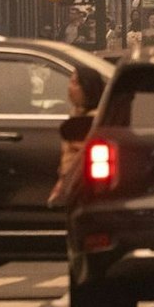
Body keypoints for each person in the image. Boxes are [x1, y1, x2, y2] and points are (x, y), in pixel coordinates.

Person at [49, 65, 107, 207]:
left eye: (75, 83)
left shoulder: (91, 121)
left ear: (87, 88)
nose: (69, 87)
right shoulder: (76, 115)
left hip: (84, 190)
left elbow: (76, 158)